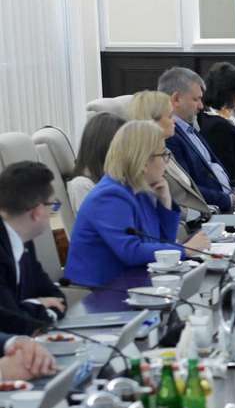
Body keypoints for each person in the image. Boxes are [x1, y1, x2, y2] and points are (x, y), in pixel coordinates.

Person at [65, 121, 210, 287]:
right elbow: (131, 251)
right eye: (163, 155)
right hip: (98, 294)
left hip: (131, 282)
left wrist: (165, 203)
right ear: (143, 161)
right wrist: (186, 250)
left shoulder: (139, 189)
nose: (166, 162)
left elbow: (163, 242)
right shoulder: (110, 196)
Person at [0, 162, 68, 334]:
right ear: (37, 212)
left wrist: (31, 308)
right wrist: (39, 305)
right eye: (53, 205)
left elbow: (57, 297)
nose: (53, 211)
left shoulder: (24, 240)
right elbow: (11, 321)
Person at [129, 91, 212, 226]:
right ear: (152, 121)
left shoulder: (166, 151)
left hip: (199, 222)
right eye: (169, 116)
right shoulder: (146, 161)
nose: (174, 120)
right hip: (182, 229)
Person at [157, 67, 234, 213]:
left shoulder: (190, 128)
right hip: (214, 211)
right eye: (196, 99)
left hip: (230, 199)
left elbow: (212, 172)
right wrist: (229, 200)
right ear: (176, 99)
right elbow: (189, 190)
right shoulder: (170, 137)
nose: (201, 106)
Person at [68, 113, 126, 213]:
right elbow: (107, 223)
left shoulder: (118, 177)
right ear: (106, 146)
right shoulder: (82, 185)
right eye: (124, 144)